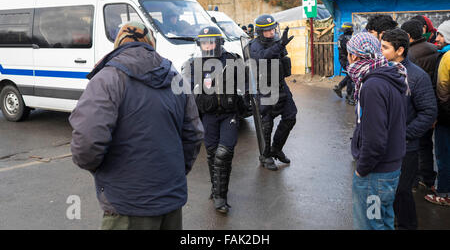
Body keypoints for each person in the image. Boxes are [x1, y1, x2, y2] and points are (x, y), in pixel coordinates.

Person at [69, 21, 204, 230]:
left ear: (118, 44)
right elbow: (194, 134)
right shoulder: (175, 77)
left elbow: (86, 143)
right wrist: (174, 171)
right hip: (171, 200)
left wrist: (102, 171)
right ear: (151, 43)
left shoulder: (107, 78)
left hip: (127, 205)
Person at [347, 32, 408, 230]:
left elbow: (375, 140)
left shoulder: (373, 85)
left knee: (370, 224)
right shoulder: (388, 74)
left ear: (355, 56)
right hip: (389, 168)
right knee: (383, 220)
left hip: (376, 173)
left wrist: (361, 170)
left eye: (348, 54)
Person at [381, 28, 437, 230]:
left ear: (400, 50)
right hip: (383, 144)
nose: (381, 51)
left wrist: (404, 134)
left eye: (385, 47)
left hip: (406, 147)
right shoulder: (383, 70)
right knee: (387, 191)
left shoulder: (416, 76)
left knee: (401, 191)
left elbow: (429, 112)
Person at [185, 26, 245, 214]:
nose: (208, 45)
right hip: (208, 116)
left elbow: (245, 85)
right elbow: (186, 90)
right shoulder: (193, 64)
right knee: (212, 153)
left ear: (219, 42)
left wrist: (244, 100)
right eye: (204, 42)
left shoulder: (232, 60)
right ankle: (215, 188)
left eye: (211, 41)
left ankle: (221, 197)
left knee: (223, 152)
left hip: (229, 114)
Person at [249, 14, 297, 171]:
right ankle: (265, 155)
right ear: (259, 32)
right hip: (265, 87)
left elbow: (281, 57)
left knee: (290, 117)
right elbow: (262, 57)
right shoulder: (254, 45)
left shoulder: (277, 41)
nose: (271, 33)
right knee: (266, 124)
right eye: (267, 31)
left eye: (273, 29)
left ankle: (276, 148)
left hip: (281, 85)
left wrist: (280, 45)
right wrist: (280, 45)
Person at [401, 19, 440, 191]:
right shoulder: (435, 48)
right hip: (433, 101)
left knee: (414, 146)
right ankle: (429, 178)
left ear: (408, 36)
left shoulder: (410, 56)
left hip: (416, 107)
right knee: (427, 145)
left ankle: (415, 180)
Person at [424, 20, 450, 206]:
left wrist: (438, 115)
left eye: (441, 35)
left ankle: (443, 194)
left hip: (446, 118)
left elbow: (442, 90)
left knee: (443, 155)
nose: (437, 38)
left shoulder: (447, 57)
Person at [333, 22, 355, 105]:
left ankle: (339, 87)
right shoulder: (348, 38)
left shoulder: (341, 37)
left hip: (342, 59)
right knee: (351, 77)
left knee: (349, 75)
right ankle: (349, 96)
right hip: (347, 59)